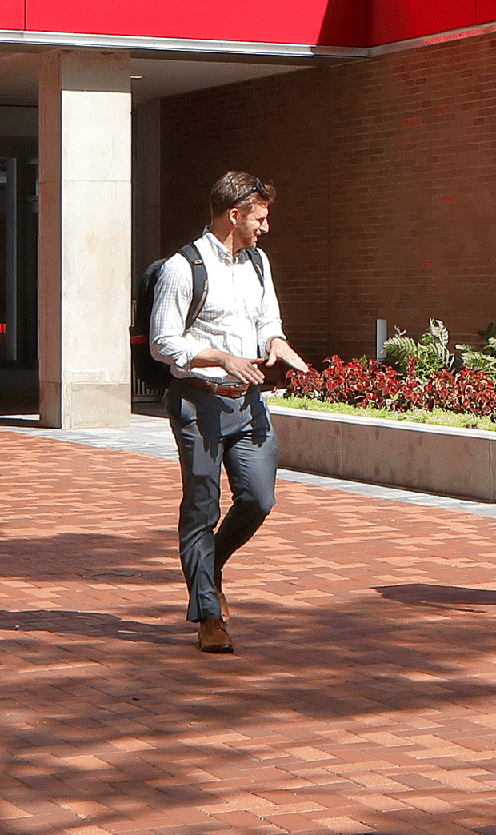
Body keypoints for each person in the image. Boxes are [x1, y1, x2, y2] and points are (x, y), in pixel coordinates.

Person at [147, 170, 311, 655]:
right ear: (234, 215)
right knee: (201, 506)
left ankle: (209, 565)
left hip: (248, 403)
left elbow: (268, 321)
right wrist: (220, 357)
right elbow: (163, 342)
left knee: (259, 498)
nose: (265, 227)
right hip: (199, 402)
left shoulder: (258, 263)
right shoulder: (184, 267)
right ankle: (209, 615)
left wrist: (279, 347)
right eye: (259, 218)